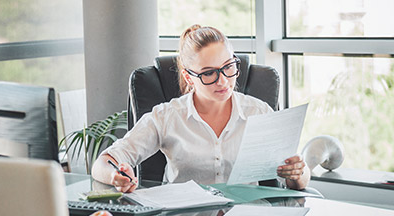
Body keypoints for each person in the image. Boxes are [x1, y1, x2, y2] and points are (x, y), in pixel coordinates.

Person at [91, 24, 310, 193]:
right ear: (188, 76)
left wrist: (298, 174)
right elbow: (103, 162)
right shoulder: (167, 117)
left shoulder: (258, 112)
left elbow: (296, 177)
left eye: (228, 67)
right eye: (208, 73)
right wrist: (115, 176)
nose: (222, 81)